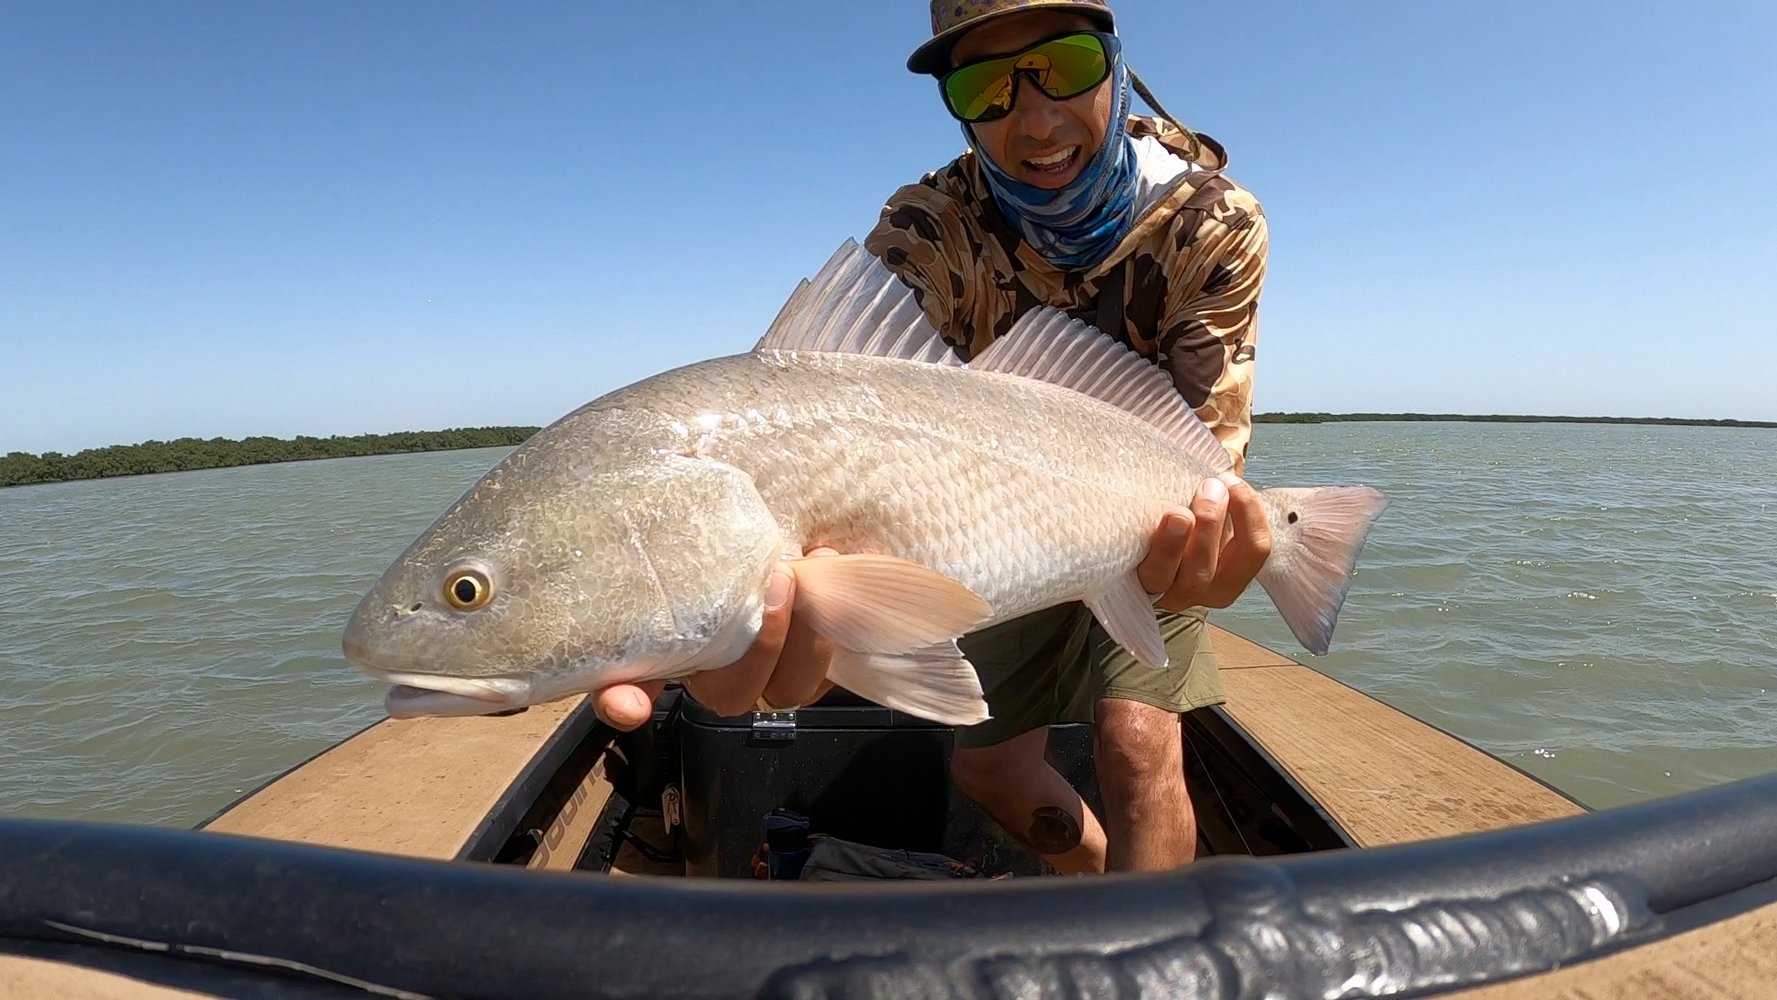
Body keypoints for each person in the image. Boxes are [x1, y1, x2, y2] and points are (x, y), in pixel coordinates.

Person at [592, 0, 1272, 874]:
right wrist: (680, 616)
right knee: (989, 772)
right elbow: (832, 391)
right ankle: (1105, 896)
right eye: (983, 85)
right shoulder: (931, 223)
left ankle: (1149, 957)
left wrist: (1215, 542)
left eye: (1060, 65)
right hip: (994, 524)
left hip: (1143, 507)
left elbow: (1212, 447)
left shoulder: (1214, 219)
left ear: (1114, 61)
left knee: (1138, 746)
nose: (1031, 117)